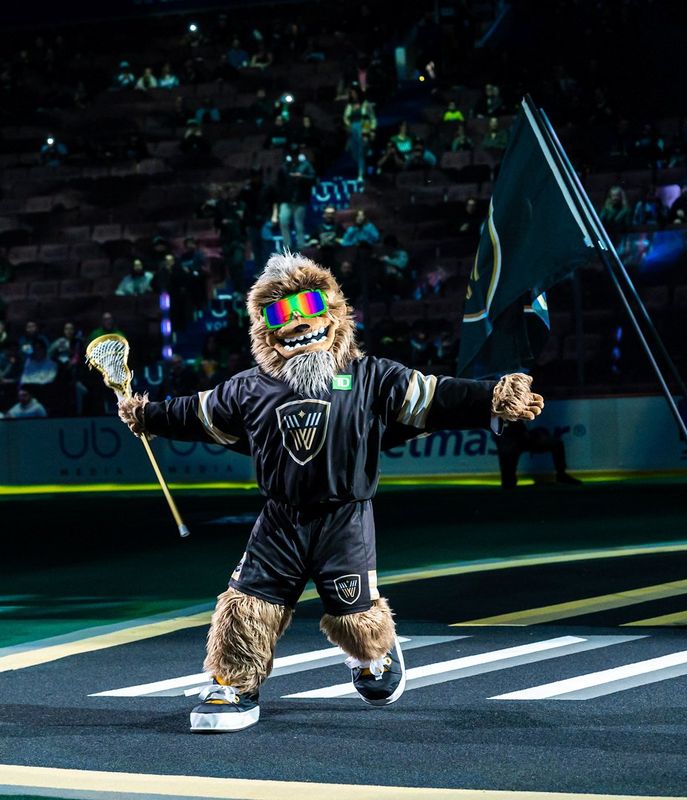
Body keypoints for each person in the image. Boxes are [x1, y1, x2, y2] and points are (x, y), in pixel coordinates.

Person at [114, 252, 544, 733]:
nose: (299, 321)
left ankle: (374, 655)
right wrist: (145, 414)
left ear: (335, 312)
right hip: (281, 519)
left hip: (344, 518)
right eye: (281, 312)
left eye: (311, 305)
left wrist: (491, 397)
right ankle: (233, 683)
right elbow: (196, 412)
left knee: (355, 617)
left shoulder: (371, 376)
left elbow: (435, 395)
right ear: (264, 330)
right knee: (247, 604)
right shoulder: (248, 388)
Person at [497, 420, 582, 489]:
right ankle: (508, 481)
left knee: (557, 444)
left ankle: (561, 475)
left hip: (523, 437)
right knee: (508, 484)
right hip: (509, 440)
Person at [274, 151, 316, 252]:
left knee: (298, 224)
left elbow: (313, 178)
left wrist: (302, 177)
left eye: (295, 155)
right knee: (283, 221)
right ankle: (287, 246)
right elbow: (279, 183)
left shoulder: (306, 165)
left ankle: (301, 246)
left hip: (300, 199)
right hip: (286, 200)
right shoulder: (285, 166)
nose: (294, 157)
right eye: (292, 155)